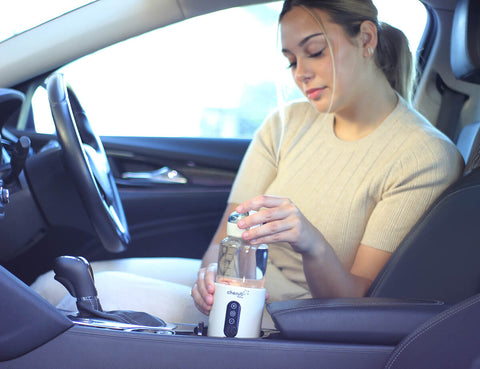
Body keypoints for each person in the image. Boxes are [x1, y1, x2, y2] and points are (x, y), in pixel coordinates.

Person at [32, 0, 464, 326]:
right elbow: (227, 234)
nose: (301, 74)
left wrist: (310, 242)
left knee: (64, 301)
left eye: (314, 52)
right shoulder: (287, 122)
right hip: (239, 285)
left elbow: (354, 307)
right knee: (50, 284)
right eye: (291, 61)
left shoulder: (422, 156)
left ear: (366, 39)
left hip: (298, 320)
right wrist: (209, 276)